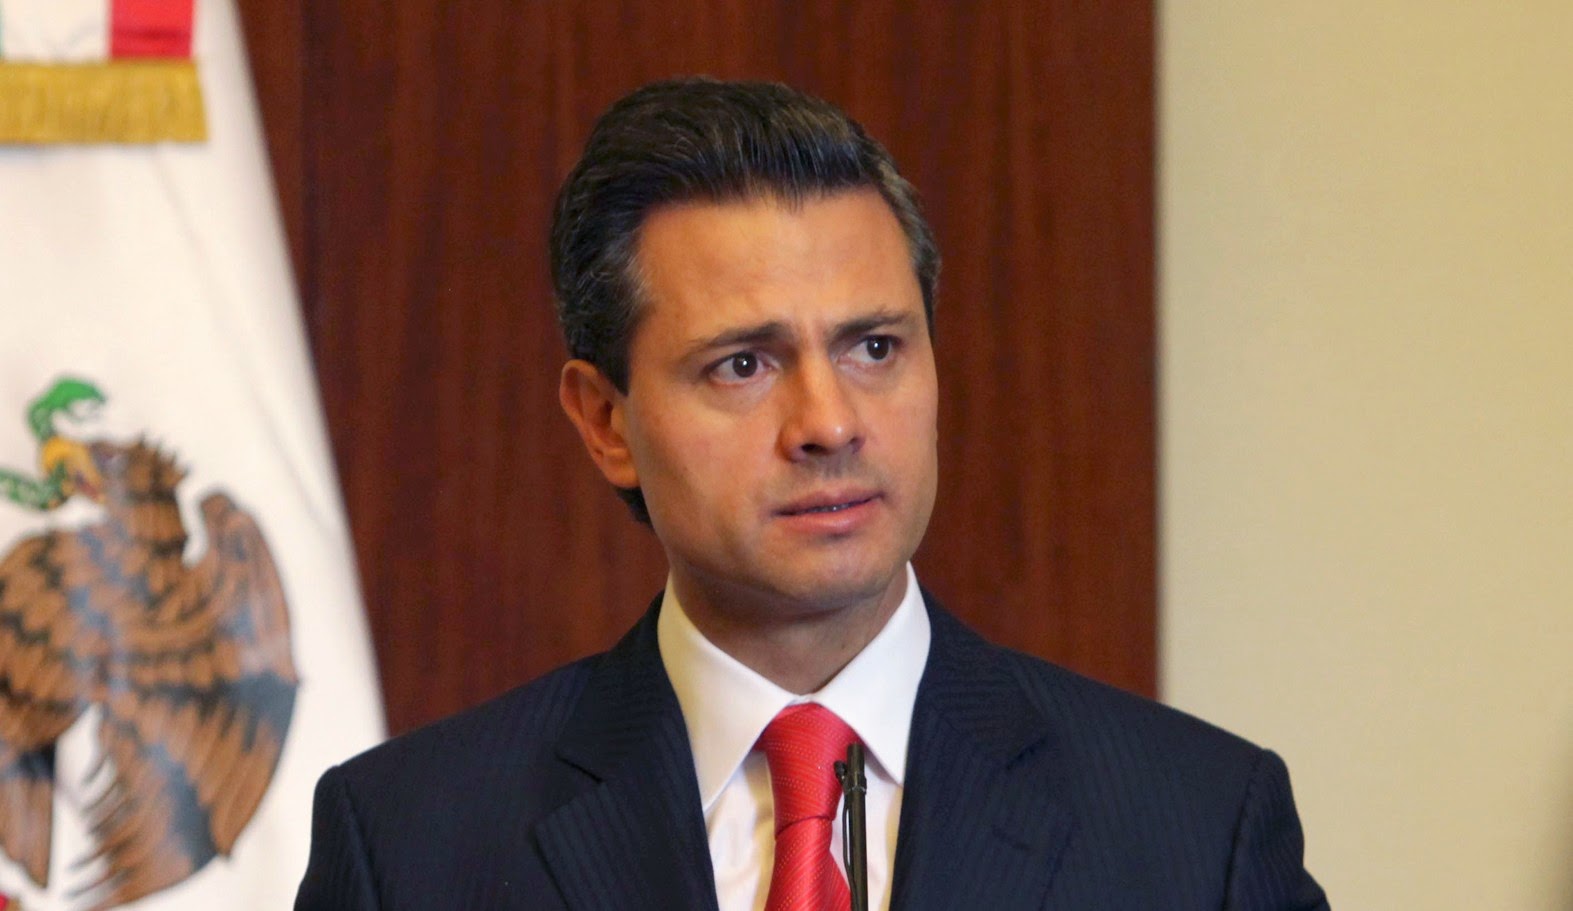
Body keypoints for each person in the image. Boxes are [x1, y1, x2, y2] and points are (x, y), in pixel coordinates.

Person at [295, 78, 1329, 911]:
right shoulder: (412, 842)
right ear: (605, 421)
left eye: (873, 347)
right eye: (743, 364)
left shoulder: (1198, 829)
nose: (829, 423)